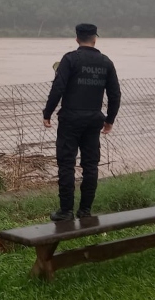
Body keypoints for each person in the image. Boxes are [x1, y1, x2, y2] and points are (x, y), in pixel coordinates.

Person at [43, 23, 121, 221]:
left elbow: (58, 88)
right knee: (91, 165)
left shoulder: (70, 59)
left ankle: (66, 211)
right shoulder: (106, 62)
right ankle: (85, 210)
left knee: (66, 164)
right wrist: (109, 120)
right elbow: (115, 95)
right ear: (95, 39)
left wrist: (48, 113)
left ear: (77, 39)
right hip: (94, 120)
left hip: (70, 119)